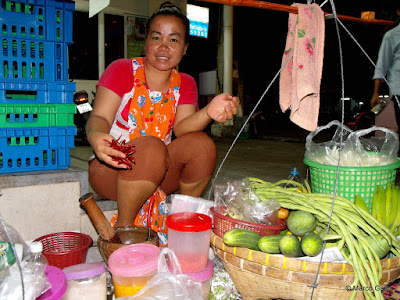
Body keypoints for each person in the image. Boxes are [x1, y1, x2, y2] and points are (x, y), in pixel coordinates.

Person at [86, 3, 239, 244]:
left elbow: (183, 128)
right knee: (151, 146)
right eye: (156, 37)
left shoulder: (185, 82)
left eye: (174, 40)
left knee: (202, 145)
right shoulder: (122, 69)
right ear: (145, 40)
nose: (163, 47)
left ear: (185, 48)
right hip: (111, 171)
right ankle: (125, 230)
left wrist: (209, 111)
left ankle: (181, 222)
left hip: (157, 172)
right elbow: (99, 118)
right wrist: (96, 136)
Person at [370, 4, 400, 126]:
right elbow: (382, 65)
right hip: (398, 89)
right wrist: (376, 93)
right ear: (399, 12)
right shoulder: (391, 36)